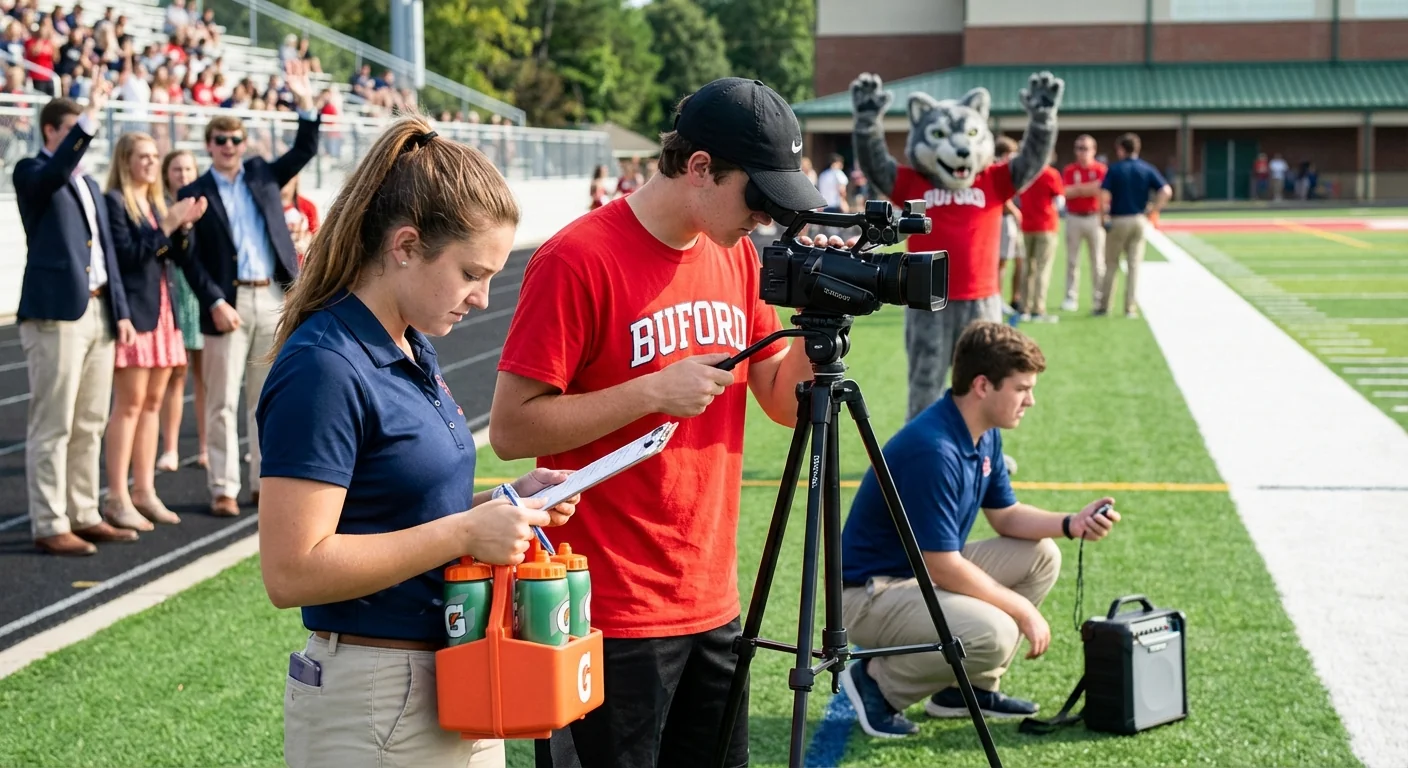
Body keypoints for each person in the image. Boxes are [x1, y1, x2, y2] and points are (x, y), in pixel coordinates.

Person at [489, 77, 831, 768]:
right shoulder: (577, 257)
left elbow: (784, 403)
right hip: (603, 606)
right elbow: (512, 431)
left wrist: (815, 327)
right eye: (755, 196)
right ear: (699, 167)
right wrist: (650, 392)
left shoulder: (734, 252)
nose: (764, 218)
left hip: (713, 599)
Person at [256, 116, 580, 768]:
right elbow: (291, 570)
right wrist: (465, 533)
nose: (485, 297)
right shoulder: (325, 364)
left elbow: (399, 503)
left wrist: (504, 502)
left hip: (444, 675)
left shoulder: (412, 345)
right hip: (376, 692)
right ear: (405, 245)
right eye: (471, 272)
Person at [837, 321, 1123, 737]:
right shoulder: (934, 449)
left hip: (914, 575)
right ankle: (877, 686)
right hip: (868, 594)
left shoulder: (979, 431)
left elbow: (1005, 516)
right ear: (983, 386)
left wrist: (1071, 524)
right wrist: (1021, 609)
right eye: (1022, 388)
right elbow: (942, 566)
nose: (1031, 400)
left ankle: (964, 689)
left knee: (1042, 555)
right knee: (997, 632)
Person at [177, 68, 320, 516]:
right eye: (220, 139)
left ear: (243, 143)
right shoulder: (193, 191)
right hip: (227, 303)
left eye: (235, 139)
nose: (228, 147)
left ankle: (264, 483)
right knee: (221, 400)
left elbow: (304, 149)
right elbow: (188, 256)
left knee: (269, 398)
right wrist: (213, 300)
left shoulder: (261, 175)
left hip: (271, 297)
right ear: (209, 144)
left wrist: (304, 105)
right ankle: (222, 487)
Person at [14, 82, 141, 556]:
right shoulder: (31, 171)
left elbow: (107, 254)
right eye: (71, 131)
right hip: (56, 314)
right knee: (54, 422)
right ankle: (49, 520)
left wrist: (121, 312)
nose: (80, 142)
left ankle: (84, 511)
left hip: (98, 311)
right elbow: (50, 176)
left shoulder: (88, 184)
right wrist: (88, 120)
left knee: (90, 420)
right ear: (51, 131)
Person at [102, 133, 207, 529]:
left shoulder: (153, 202)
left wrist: (183, 228)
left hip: (164, 313)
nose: (150, 163)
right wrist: (167, 223)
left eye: (153, 156)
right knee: (128, 406)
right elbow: (128, 258)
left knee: (152, 404)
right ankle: (116, 495)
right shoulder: (116, 203)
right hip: (136, 313)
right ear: (125, 160)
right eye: (142, 157)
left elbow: (170, 256)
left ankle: (144, 490)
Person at [158, 149, 208, 472]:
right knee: (175, 375)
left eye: (189, 168)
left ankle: (205, 448)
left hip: (201, 291)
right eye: (177, 169)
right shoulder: (161, 208)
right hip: (171, 290)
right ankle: (171, 448)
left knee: (204, 377)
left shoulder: (206, 205)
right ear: (167, 174)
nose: (183, 174)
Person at [1097, 133, 1171, 319]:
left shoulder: (1115, 169)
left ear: (1121, 149)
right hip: (1139, 218)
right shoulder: (1146, 168)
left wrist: (1103, 215)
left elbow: (1104, 194)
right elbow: (1166, 190)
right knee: (1134, 265)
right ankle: (1130, 307)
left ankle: (1105, 306)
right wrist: (1154, 210)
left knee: (1111, 264)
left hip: (1119, 218)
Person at [1059, 135, 1106, 312]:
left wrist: (1079, 189)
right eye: (1079, 148)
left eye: (1085, 148)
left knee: (1097, 262)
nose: (1082, 152)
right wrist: (1087, 188)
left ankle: (1098, 298)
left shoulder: (1100, 169)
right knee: (1072, 261)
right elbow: (1065, 191)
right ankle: (1071, 297)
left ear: (1093, 150)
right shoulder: (1070, 170)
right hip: (1074, 217)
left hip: (1094, 217)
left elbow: (1101, 190)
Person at [1017, 151, 1063, 322]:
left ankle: (1024, 307)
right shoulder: (1051, 174)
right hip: (1046, 225)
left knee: (1027, 268)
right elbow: (1059, 201)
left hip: (1026, 224)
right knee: (1043, 268)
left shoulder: (1026, 172)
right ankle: (1038, 307)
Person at [993, 137, 1023, 315]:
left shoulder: (1009, 170)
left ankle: (1015, 298)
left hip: (1011, 220)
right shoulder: (996, 170)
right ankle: (998, 298)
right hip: (1003, 219)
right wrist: (1015, 211)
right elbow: (1001, 198)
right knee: (1001, 262)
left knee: (1016, 260)